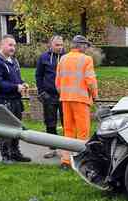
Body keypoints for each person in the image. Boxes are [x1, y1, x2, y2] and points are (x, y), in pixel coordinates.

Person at [55, 34, 98, 169]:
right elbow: (90, 81)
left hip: (65, 99)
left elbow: (57, 82)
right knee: (83, 131)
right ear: (81, 46)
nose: (87, 48)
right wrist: (95, 95)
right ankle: (82, 162)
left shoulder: (63, 59)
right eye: (86, 45)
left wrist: (63, 93)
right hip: (81, 100)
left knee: (68, 130)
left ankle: (66, 161)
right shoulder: (87, 59)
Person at [0, 35, 31, 164]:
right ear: (2, 45)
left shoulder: (13, 61)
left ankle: (15, 153)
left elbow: (16, 79)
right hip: (4, 100)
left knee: (17, 127)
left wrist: (23, 84)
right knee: (5, 129)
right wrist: (16, 87)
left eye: (14, 45)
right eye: (10, 45)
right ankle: (6, 156)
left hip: (16, 100)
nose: (13, 48)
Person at [35, 35, 66, 159]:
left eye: (61, 45)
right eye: (57, 45)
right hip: (49, 96)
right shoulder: (43, 58)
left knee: (67, 123)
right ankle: (52, 149)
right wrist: (41, 92)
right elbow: (38, 75)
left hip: (64, 96)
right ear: (50, 45)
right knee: (50, 123)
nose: (59, 47)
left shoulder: (66, 58)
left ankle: (67, 149)